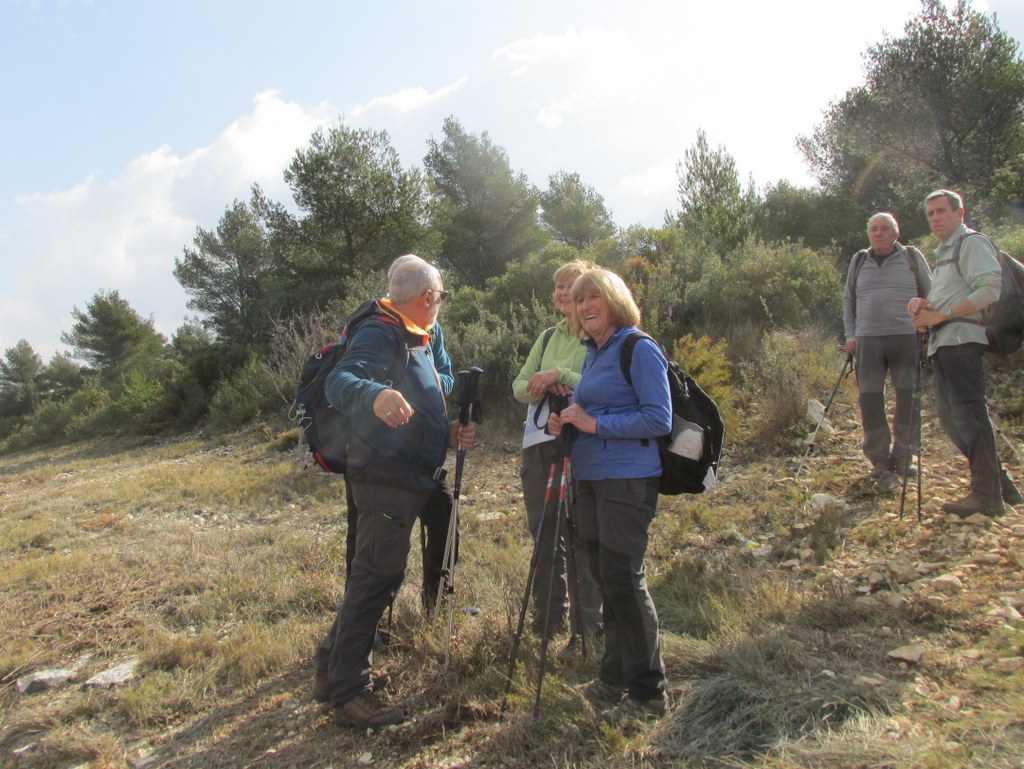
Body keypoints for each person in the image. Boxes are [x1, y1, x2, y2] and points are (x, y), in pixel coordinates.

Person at [312, 258, 475, 728]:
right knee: (375, 579)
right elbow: (340, 380)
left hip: (402, 470)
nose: (439, 304)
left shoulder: (413, 333)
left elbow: (420, 401)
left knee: (373, 575)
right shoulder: (382, 331)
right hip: (385, 476)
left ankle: (329, 668)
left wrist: (444, 433)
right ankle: (350, 693)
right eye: (439, 297)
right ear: (427, 297)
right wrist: (373, 395)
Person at [547, 268, 671, 727]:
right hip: (592, 479)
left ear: (614, 299)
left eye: (592, 297)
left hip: (627, 480)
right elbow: (590, 411)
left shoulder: (638, 347)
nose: (584, 307)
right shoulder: (592, 353)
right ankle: (614, 676)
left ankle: (649, 691)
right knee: (607, 577)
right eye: (578, 301)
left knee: (623, 576)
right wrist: (568, 422)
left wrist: (596, 425)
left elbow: (658, 418)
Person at [342, 255, 455, 611]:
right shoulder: (378, 327)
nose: (393, 288)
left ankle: (435, 603)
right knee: (367, 537)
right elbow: (347, 377)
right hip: (376, 451)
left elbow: (446, 378)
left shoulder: (430, 328)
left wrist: (428, 387)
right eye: (392, 281)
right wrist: (382, 394)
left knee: (444, 521)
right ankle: (364, 617)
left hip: (424, 449)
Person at [908, 190, 1022, 518]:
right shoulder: (945, 251)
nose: (935, 218)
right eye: (930, 213)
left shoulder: (970, 243)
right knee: (951, 418)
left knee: (969, 415)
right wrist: (924, 305)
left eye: (941, 211)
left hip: (962, 340)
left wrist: (939, 316)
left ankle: (987, 496)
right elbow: (950, 296)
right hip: (945, 343)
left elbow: (989, 289)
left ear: (960, 212)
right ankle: (1001, 487)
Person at [512, 259, 603, 660]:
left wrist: (558, 374)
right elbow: (519, 387)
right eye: (560, 287)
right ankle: (546, 620)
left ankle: (587, 629)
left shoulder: (600, 335)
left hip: (582, 442)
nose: (564, 293)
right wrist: (543, 382)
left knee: (581, 533)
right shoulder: (548, 335)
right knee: (544, 530)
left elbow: (599, 387)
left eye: (574, 287)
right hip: (540, 440)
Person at [842, 212, 932, 489]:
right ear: (868, 234)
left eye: (884, 229)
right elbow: (849, 300)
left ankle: (905, 455)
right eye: (873, 229)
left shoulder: (912, 258)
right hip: (868, 339)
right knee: (870, 400)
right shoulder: (859, 260)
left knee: (908, 396)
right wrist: (850, 334)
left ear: (896, 233)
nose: (878, 233)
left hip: (906, 336)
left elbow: (931, 293)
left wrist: (927, 328)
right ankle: (879, 459)